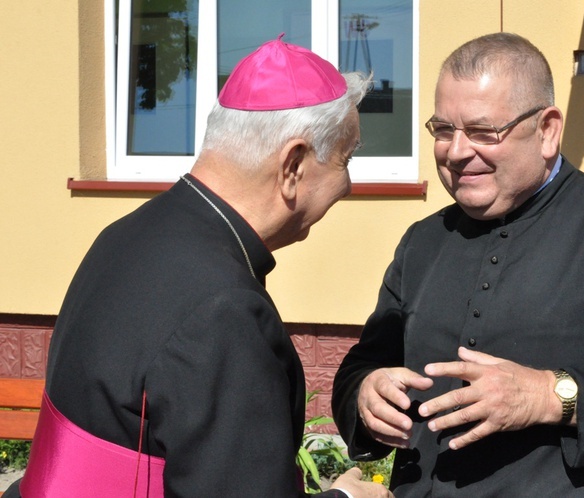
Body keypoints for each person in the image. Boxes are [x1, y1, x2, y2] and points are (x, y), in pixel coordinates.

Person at [332, 32, 584, 496]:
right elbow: (363, 367)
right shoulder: (424, 240)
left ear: (547, 130)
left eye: (483, 132)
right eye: (443, 130)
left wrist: (548, 395)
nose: (456, 152)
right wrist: (366, 395)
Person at [7, 36, 392, 498]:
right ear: (293, 165)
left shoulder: (128, 233)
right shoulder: (224, 313)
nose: (348, 186)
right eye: (346, 160)